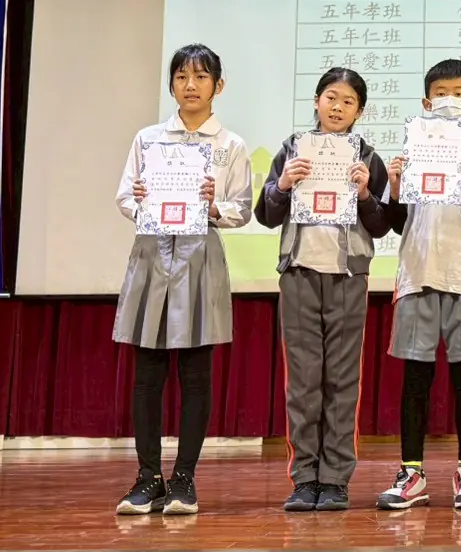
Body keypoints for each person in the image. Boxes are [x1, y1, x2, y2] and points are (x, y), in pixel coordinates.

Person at [112, 44, 253, 516]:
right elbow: (124, 198)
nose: (190, 85)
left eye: (200, 77)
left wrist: (213, 206)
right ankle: (147, 477)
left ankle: (184, 479)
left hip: (199, 257)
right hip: (152, 255)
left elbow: (242, 209)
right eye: (181, 77)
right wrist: (139, 201)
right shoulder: (148, 139)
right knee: (147, 374)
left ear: (218, 85)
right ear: (171, 84)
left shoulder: (230, 145)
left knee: (195, 374)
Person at [255, 68, 391, 513]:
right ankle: (304, 478)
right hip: (298, 274)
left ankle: (334, 479)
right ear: (316, 101)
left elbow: (382, 224)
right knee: (303, 382)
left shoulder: (368, 157)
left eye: (348, 101)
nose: (338, 107)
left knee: (342, 381)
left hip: (348, 277)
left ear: (360, 112)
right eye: (331, 97)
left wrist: (366, 194)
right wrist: (283, 184)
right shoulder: (292, 149)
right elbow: (265, 215)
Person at [376, 58, 461, 511]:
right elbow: (396, 223)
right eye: (441, 94)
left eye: (458, 94)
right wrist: (395, 187)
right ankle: (411, 473)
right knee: (416, 379)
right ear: (426, 102)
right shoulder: (411, 151)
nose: (450, 100)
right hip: (417, 274)